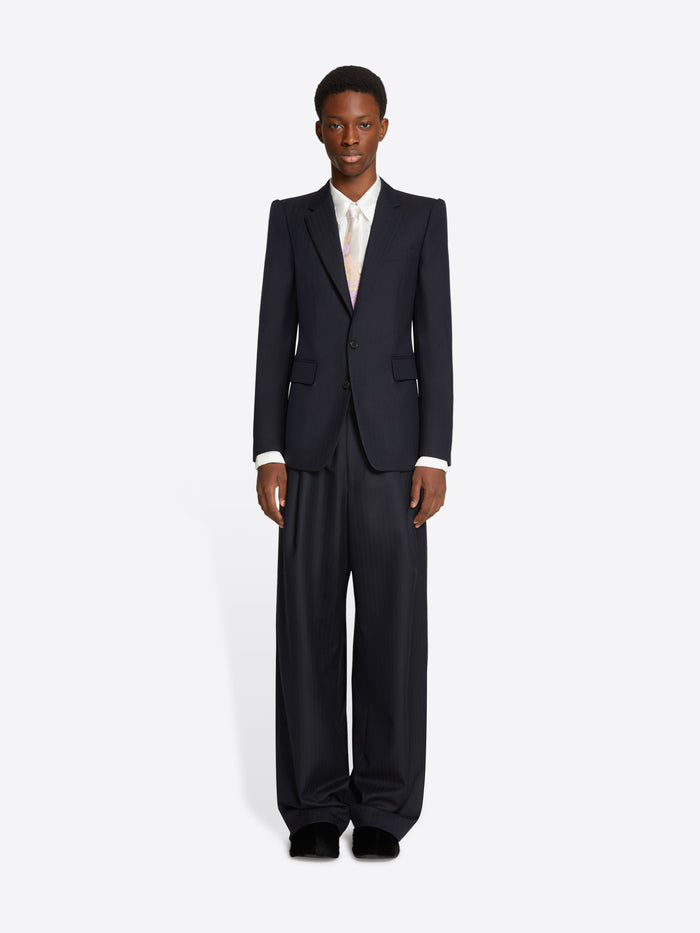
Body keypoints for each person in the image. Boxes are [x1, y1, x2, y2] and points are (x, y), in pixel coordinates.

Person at [252, 65, 453, 859]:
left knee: (392, 631)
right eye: (336, 124)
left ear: (384, 128)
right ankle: (312, 804)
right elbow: (274, 337)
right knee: (305, 625)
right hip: (308, 449)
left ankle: (384, 805)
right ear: (318, 130)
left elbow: (436, 339)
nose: (349, 138)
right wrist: (268, 448)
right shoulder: (291, 219)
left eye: (362, 123)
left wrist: (434, 452)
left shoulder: (422, 219)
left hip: (393, 451)